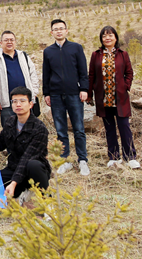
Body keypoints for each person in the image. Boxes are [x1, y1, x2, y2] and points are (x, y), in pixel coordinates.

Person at [42, 19, 90, 176]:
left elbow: (83, 70)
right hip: (56, 95)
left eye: (61, 28)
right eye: (55, 29)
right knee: (61, 130)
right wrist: (46, 93)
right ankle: (65, 160)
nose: (59, 31)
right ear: (52, 32)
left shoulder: (76, 48)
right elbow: (46, 73)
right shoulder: (48, 51)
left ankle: (82, 160)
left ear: (66, 31)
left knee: (79, 129)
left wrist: (84, 89)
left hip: (74, 94)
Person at [88, 26, 139, 169]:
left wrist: (125, 86)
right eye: (104, 36)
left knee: (124, 127)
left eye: (110, 35)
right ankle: (114, 157)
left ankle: (130, 157)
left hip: (120, 97)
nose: (107, 38)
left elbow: (129, 72)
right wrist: (90, 93)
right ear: (101, 39)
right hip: (103, 98)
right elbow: (91, 75)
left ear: (115, 38)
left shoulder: (123, 54)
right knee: (109, 128)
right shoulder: (96, 55)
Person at [0, 86, 51, 203]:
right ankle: (23, 191)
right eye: (14, 101)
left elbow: (27, 158)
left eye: (22, 101)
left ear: (31, 104)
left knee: (33, 165)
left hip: (33, 172)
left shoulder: (39, 128)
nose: (18, 104)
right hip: (14, 169)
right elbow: (0, 145)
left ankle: (47, 201)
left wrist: (13, 183)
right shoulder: (10, 122)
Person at [0, 30, 40, 128]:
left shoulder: (24, 56)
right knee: (9, 130)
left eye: (11, 40)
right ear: (1, 43)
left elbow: (33, 75)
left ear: (15, 42)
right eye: (6, 40)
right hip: (6, 103)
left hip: (25, 100)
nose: (9, 42)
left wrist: (34, 93)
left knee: (29, 129)